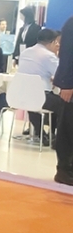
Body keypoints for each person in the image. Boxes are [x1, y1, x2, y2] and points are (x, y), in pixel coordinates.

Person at [0, 28, 60, 136]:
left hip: (21, 95)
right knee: (65, 105)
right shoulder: (49, 56)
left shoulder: (25, 52)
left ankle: (42, 135)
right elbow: (60, 75)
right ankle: (56, 136)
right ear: (52, 42)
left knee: (33, 103)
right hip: (41, 97)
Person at [54, 16, 73, 186]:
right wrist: (67, 84)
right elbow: (67, 54)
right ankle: (65, 169)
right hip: (71, 85)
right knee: (68, 126)